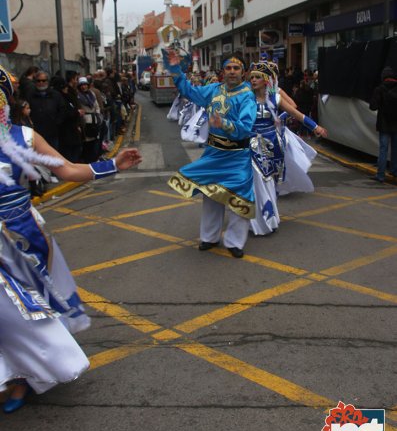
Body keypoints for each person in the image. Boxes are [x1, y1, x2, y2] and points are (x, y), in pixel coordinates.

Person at [0, 65, 142, 412]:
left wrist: (111, 165)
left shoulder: (24, 137)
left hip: (20, 240)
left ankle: (21, 378)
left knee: (20, 314)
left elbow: (66, 169)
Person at [164, 50, 257, 258]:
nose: (232, 72)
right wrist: (175, 69)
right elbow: (188, 91)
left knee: (239, 198)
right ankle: (209, 238)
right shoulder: (213, 89)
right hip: (214, 153)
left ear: (243, 72)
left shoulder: (247, 96)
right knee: (211, 195)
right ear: (222, 71)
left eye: (236, 68)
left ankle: (234, 242)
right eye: (228, 68)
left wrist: (223, 123)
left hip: (237, 157)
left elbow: (245, 127)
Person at [248, 59, 327, 235]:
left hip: (271, 145)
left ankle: (270, 218)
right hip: (251, 145)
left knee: (268, 181)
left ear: (266, 80)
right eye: (251, 77)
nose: (253, 80)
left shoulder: (276, 97)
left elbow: (296, 113)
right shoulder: (245, 97)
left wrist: (316, 127)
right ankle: (256, 221)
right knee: (256, 182)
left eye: (257, 77)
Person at [369, 66, 397, 183]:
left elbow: (373, 106)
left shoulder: (379, 89)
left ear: (383, 77)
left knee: (383, 149)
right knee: (395, 149)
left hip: (384, 124)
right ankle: (394, 171)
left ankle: (380, 175)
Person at [27, 71, 66, 150]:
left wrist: (56, 122)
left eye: (43, 80)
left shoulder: (55, 95)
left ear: (47, 81)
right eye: (39, 81)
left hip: (52, 132)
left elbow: (62, 110)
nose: (41, 83)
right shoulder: (30, 95)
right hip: (36, 132)